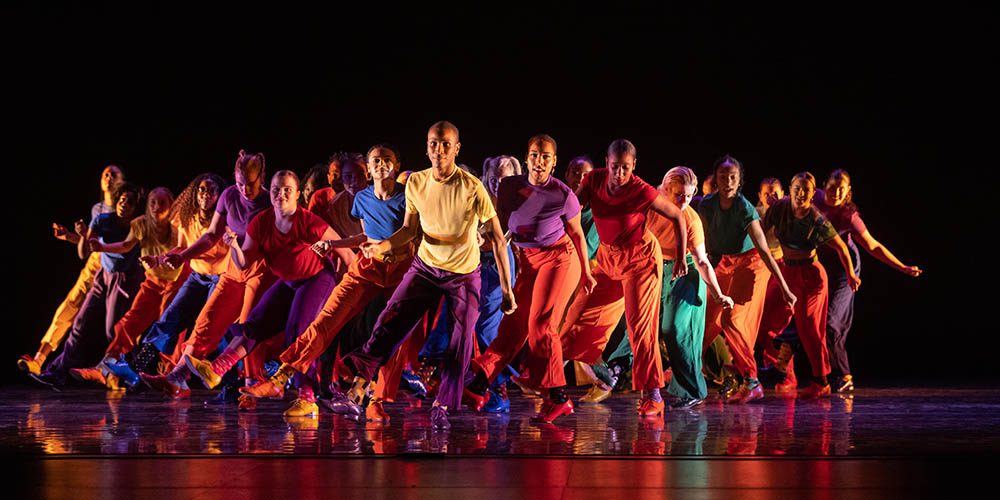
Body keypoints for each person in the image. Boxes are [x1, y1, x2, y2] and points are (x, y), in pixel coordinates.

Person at [340, 121, 515, 429]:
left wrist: (507, 290)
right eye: (434, 144)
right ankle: (359, 382)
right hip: (426, 267)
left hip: (463, 274)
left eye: (446, 144)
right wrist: (381, 245)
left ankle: (444, 405)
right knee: (390, 317)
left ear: (456, 149)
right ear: (426, 147)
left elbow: (498, 238)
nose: (439, 150)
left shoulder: (472, 187)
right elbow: (408, 230)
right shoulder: (417, 183)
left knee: (460, 342)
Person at [239, 144, 419, 421]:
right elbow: (364, 236)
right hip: (367, 266)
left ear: (395, 166)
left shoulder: (409, 196)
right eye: (376, 161)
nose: (381, 165)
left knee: (391, 334)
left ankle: (377, 400)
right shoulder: (362, 200)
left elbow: (409, 232)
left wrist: (384, 248)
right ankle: (282, 376)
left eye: (387, 160)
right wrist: (333, 244)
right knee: (325, 320)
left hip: (401, 269)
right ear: (370, 170)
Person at [182, 170, 352, 416]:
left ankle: (307, 397)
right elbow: (244, 263)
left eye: (287, 190)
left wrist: (343, 293)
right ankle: (217, 369)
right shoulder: (260, 222)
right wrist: (234, 247)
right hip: (289, 282)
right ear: (269, 193)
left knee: (298, 331)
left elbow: (346, 253)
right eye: (276, 189)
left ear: (296, 195)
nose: (281, 194)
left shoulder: (309, 221)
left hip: (316, 279)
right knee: (255, 322)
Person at [465, 134, 593, 423]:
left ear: (554, 161)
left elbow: (578, 236)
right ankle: (479, 384)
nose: (539, 161)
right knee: (514, 323)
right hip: (529, 260)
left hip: (561, 258)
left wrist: (586, 272)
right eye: (535, 155)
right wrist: (476, 238)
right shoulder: (509, 186)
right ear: (527, 158)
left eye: (545, 156)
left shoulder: (563, 195)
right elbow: (499, 232)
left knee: (541, 324)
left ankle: (558, 397)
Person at [559, 139, 689, 417]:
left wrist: (679, 257)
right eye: (615, 166)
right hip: (607, 259)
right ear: (606, 163)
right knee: (578, 312)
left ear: (634, 166)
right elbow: (574, 207)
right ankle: (568, 372)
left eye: (625, 168)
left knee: (639, 328)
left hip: (639, 260)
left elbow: (678, 216)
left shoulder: (641, 189)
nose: (619, 173)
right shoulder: (594, 180)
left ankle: (653, 394)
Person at [142, 150, 277, 406]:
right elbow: (211, 234)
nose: (245, 189)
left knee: (246, 324)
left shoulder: (269, 201)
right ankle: (177, 376)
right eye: (240, 183)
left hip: (261, 269)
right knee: (208, 318)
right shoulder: (228, 196)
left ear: (261, 178)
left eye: (250, 184)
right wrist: (183, 257)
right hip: (234, 269)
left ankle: (251, 386)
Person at [103, 174, 229, 386]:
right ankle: (134, 369)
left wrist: (181, 257)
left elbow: (208, 241)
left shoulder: (225, 216)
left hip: (221, 278)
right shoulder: (188, 216)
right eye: (201, 190)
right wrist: (159, 259)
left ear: (220, 195)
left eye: (211, 191)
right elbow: (181, 247)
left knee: (211, 330)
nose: (205, 195)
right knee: (169, 319)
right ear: (194, 194)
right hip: (198, 276)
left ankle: (234, 382)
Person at [699, 155, 795, 404]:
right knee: (704, 321)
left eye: (733, 177)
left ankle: (752, 382)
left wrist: (784, 287)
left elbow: (764, 250)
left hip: (751, 264)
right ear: (716, 179)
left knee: (731, 317)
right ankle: (689, 376)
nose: (728, 182)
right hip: (724, 263)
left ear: (740, 180)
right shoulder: (707, 205)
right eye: (723, 177)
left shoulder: (744, 208)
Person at [29, 183, 144, 390]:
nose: (124, 205)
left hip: (126, 278)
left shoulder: (137, 226)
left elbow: (125, 247)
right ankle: (60, 373)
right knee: (80, 322)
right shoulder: (102, 219)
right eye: (122, 200)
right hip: (103, 275)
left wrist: (99, 246)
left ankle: (134, 373)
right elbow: (85, 251)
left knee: (114, 329)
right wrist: (82, 235)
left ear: (136, 208)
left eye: (129, 202)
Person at [814, 169, 921, 392]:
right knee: (812, 320)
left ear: (848, 192)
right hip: (820, 266)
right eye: (832, 187)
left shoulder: (849, 217)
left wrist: (902, 267)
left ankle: (844, 376)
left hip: (846, 270)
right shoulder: (813, 198)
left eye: (840, 189)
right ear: (824, 186)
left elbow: (873, 246)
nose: (835, 193)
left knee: (832, 322)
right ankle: (817, 376)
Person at [758, 172, 861, 397]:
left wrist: (851, 275)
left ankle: (820, 381)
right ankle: (779, 368)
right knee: (764, 320)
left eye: (806, 190)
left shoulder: (816, 218)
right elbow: (759, 232)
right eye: (797, 188)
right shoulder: (779, 208)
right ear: (790, 189)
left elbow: (842, 248)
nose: (801, 193)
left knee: (810, 328)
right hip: (785, 272)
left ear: (813, 193)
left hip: (811, 276)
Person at [19, 165, 124, 374]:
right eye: (105, 174)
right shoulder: (98, 209)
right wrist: (71, 236)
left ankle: (117, 370)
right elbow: (94, 243)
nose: (109, 178)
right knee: (69, 305)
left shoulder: (127, 207)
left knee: (119, 319)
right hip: (97, 261)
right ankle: (39, 359)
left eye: (114, 175)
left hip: (120, 265)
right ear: (101, 182)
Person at [647, 167, 734, 408]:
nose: (684, 200)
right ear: (665, 190)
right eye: (678, 195)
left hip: (685, 273)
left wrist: (717, 293)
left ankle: (692, 390)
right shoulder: (651, 206)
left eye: (688, 195)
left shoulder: (691, 220)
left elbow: (702, 261)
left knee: (675, 328)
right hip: (654, 269)